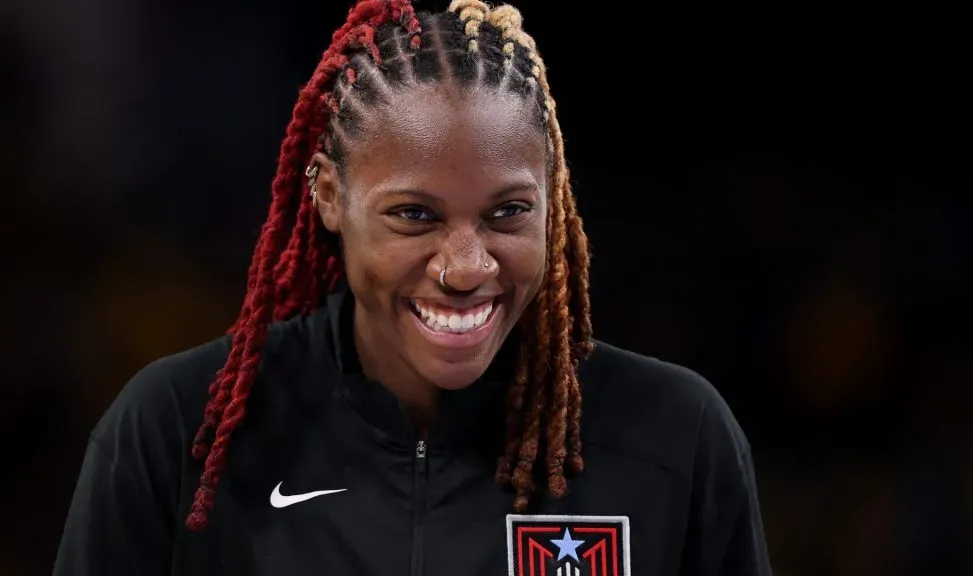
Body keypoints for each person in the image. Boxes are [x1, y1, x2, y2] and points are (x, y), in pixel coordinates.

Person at [54, 1, 772, 574]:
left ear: (553, 201)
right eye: (415, 216)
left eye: (507, 213)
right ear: (328, 195)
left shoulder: (676, 436)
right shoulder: (176, 430)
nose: (466, 267)